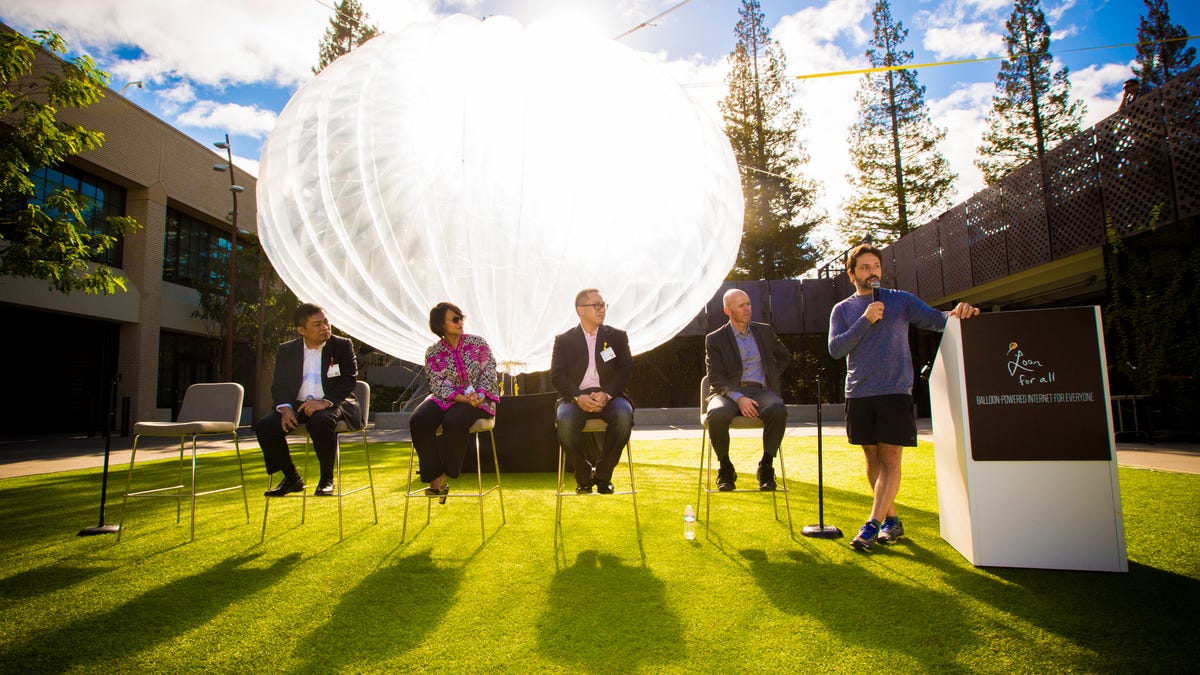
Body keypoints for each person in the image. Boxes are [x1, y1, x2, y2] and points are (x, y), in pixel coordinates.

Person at [828, 242, 980, 551]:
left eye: (876, 267)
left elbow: (939, 321)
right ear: (851, 274)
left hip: (895, 390)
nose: (872, 272)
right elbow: (836, 349)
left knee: (891, 458)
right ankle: (891, 520)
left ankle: (872, 523)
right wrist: (866, 319)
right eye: (865, 268)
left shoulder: (902, 301)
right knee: (871, 458)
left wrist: (961, 311)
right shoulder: (843, 310)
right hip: (859, 392)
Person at [255, 302, 360, 497]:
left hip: (333, 402)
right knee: (265, 426)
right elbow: (280, 384)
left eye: (326, 322)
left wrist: (324, 402)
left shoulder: (342, 345)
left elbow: (349, 380)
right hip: (298, 404)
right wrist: (285, 409)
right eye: (317, 324)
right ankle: (291, 478)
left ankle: (326, 479)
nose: (325, 328)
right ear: (301, 330)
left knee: (320, 421)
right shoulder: (287, 350)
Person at [409, 302, 499, 502]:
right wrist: (462, 397)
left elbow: (490, 372)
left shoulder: (478, 343)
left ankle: (441, 478)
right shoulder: (432, 352)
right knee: (419, 420)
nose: (460, 322)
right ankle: (433, 474)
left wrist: (480, 394)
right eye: (455, 319)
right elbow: (437, 383)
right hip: (446, 398)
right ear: (441, 325)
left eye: (461, 318)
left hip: (480, 400)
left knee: (454, 421)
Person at [703, 289, 791, 492]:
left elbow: (784, 356)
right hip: (728, 393)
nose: (747, 309)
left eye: (748, 304)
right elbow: (714, 376)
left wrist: (770, 376)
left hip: (761, 391)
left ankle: (766, 466)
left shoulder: (764, 331)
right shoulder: (715, 339)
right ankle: (725, 468)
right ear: (728, 310)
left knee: (778, 409)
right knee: (716, 414)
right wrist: (739, 397)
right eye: (741, 305)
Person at [551, 288, 634, 494]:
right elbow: (557, 375)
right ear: (580, 310)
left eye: (603, 305)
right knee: (565, 420)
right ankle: (583, 474)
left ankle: (604, 473)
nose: (602, 309)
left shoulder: (617, 336)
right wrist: (578, 397)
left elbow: (626, 369)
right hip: (575, 397)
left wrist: (607, 394)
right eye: (596, 305)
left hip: (610, 396)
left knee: (624, 415)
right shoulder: (564, 340)